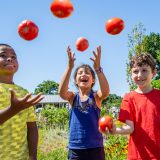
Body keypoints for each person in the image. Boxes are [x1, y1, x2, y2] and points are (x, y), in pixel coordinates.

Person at [104, 53, 160, 160]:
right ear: (131, 74)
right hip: (137, 156)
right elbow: (130, 128)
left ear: (153, 73)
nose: (139, 75)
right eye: (135, 71)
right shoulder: (128, 98)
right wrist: (115, 130)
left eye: (144, 70)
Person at [58, 45, 110, 160]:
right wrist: (70, 67)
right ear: (76, 81)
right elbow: (61, 93)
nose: (83, 74)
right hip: (76, 148)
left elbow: (105, 91)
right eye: (80, 73)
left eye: (87, 73)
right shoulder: (72, 97)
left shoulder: (96, 96)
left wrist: (97, 69)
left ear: (93, 80)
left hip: (95, 148)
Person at [0, 44, 43, 160]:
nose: (9, 59)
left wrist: (33, 156)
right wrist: (13, 109)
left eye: (13, 57)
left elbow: (32, 127)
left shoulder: (24, 92)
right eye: (2, 55)